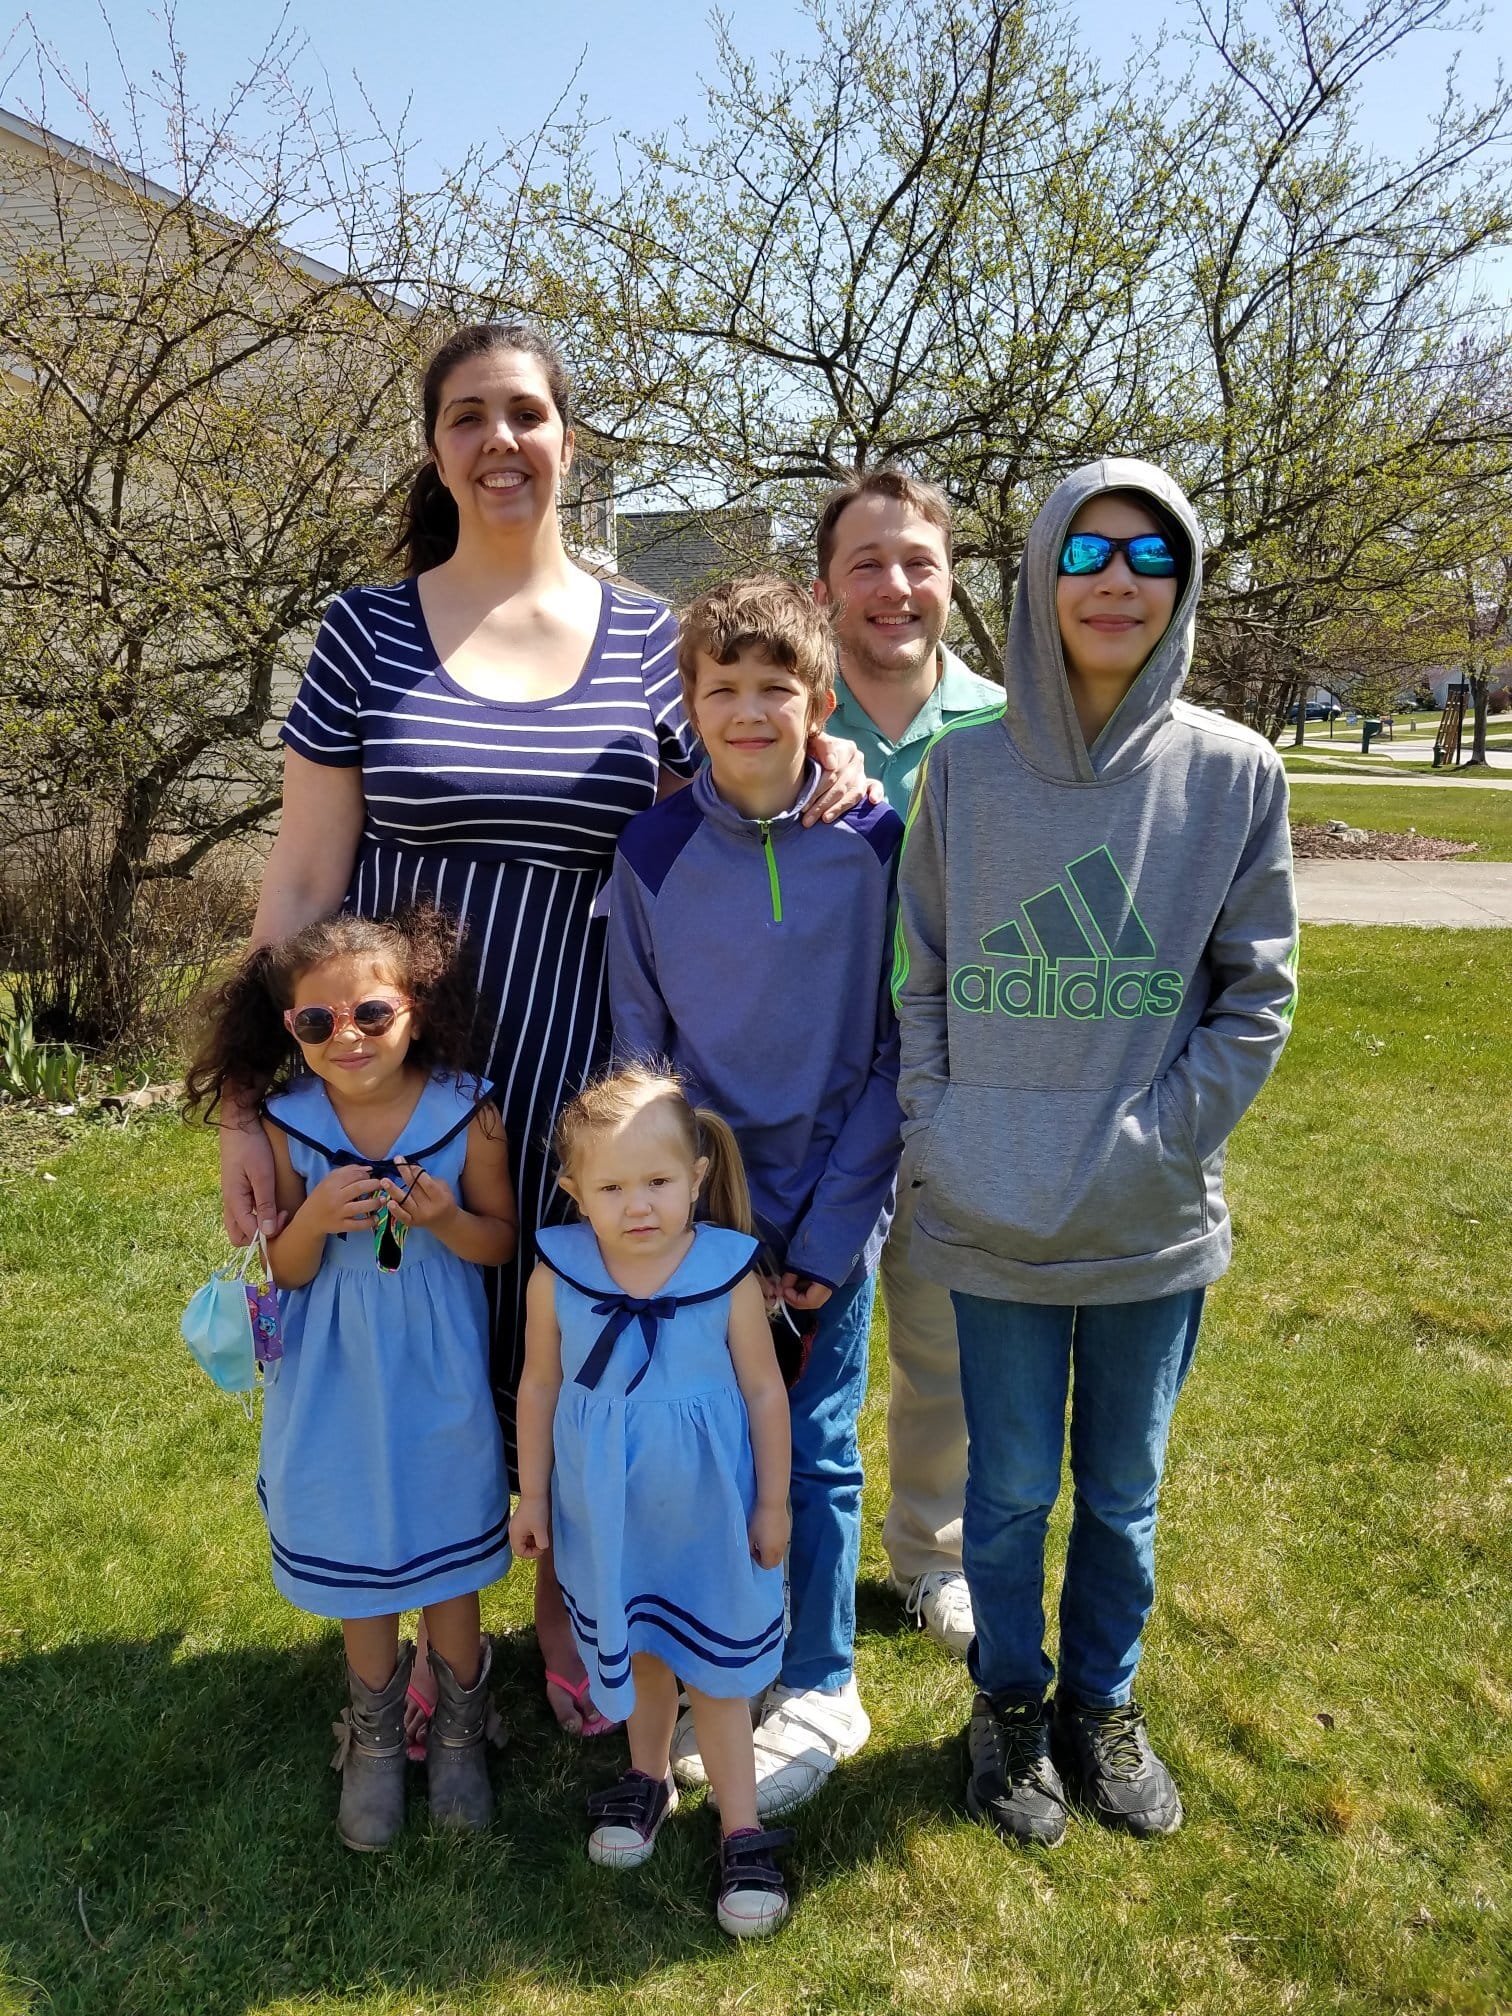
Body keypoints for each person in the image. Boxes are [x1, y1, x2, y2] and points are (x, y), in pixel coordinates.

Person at [216, 322, 871, 1743]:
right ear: (434, 447)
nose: (499, 440)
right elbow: (307, 881)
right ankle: (419, 1664)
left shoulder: (650, 636)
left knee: (576, 1352)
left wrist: (834, 755)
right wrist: (242, 1102)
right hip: (393, 1078)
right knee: (420, 1363)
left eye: (526, 412)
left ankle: (586, 1625)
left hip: (592, 1072)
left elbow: (742, 765)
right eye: (467, 416)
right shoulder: (365, 631)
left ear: (570, 438)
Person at [893, 457, 1298, 1847]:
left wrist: (1162, 1141)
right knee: (1005, 1494)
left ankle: (1100, 1708)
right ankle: (1009, 1710)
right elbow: (928, 979)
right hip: (990, 1215)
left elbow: (1258, 995)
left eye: (1150, 554)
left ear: (1181, 585)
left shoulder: (1234, 774)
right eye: (1086, 552)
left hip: (1147, 1220)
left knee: (1122, 1496)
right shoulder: (966, 772)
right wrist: (941, 1133)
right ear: (1041, 578)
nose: (1117, 578)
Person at [608, 576, 903, 1817]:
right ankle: (712, 1653)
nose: (746, 710)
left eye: (774, 688)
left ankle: (820, 1678)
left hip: (834, 1201)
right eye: (719, 688)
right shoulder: (655, 851)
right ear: (687, 704)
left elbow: (903, 1047)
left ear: (820, 702)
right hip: (704, 1218)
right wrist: (691, 1222)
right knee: (716, 1440)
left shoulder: (876, 839)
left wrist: (831, 1234)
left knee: (821, 1447)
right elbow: (639, 1051)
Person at [183, 907, 517, 1850]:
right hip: (331, 1380)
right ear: (288, 1030)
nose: (348, 1038)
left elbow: (499, 1242)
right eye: (316, 1025)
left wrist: (447, 1216)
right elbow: (283, 1272)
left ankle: (459, 1732)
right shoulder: (289, 1128)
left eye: (371, 1013)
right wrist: (312, 1221)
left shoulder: (470, 1113)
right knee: (358, 1548)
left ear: (417, 1007)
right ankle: (374, 1735)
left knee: (449, 1547)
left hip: (436, 1377)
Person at [511, 1066, 796, 1937]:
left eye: (660, 1183)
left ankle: (741, 1826)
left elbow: (764, 1394)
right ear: (574, 1191)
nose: (639, 1206)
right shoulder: (557, 1276)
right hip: (611, 1516)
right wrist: (535, 1495)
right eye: (612, 1187)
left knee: (713, 1672)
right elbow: (538, 1386)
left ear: (698, 1177)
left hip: (708, 1518)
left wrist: (774, 1504)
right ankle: (648, 1777)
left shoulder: (727, 1273)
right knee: (637, 1650)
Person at [813, 467, 1003, 1660]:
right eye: (867, 564)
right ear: (826, 586)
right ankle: (774, 1553)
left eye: (917, 563)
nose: (894, 587)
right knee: (797, 1338)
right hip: (807, 1092)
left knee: (942, 1340)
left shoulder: (1009, 726)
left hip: (952, 1082)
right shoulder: (775, 708)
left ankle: (934, 1558)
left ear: (950, 579)